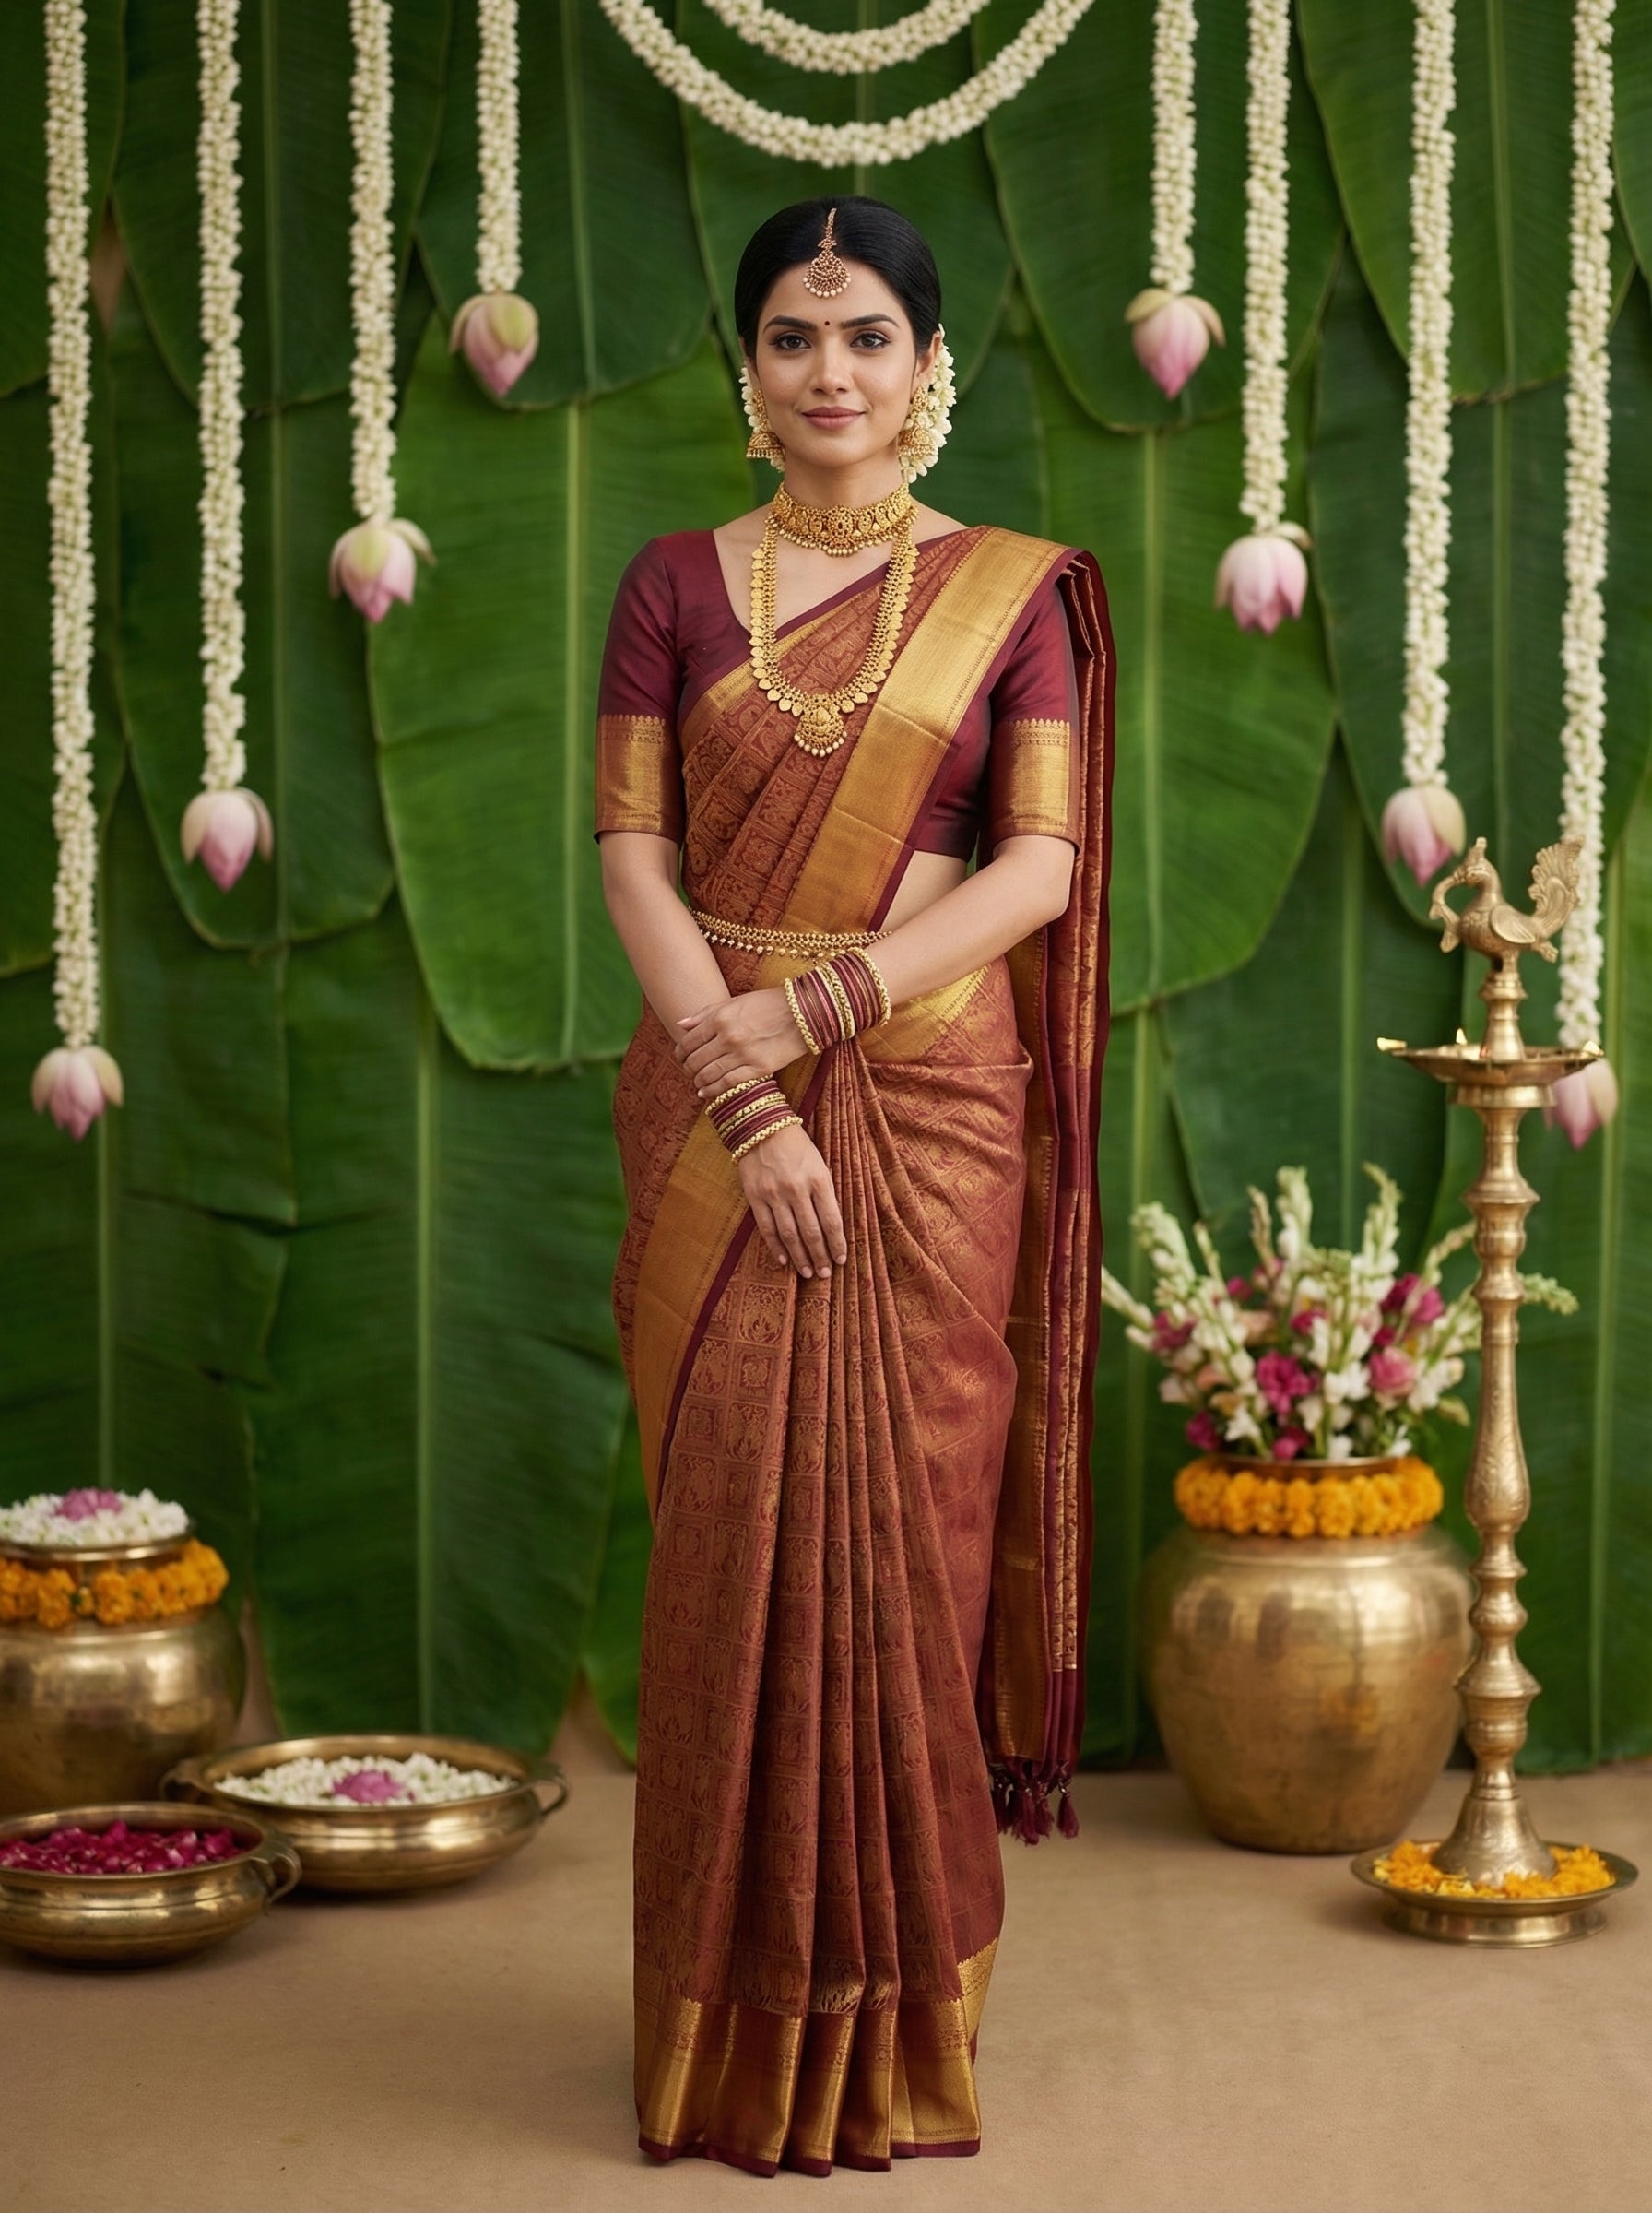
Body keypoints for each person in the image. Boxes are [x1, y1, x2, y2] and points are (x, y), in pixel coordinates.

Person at [596, 195, 1114, 2177]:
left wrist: (822, 1006)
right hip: (717, 1103)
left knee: (905, 1543)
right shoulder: (672, 582)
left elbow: (1039, 868)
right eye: (795, 335)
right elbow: (635, 860)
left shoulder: (1013, 595)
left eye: (869, 334)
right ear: (749, 369)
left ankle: (900, 2033)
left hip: (924, 1102)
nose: (832, 371)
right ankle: (724, 2039)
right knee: (732, 1544)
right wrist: (744, 1099)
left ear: (926, 367)